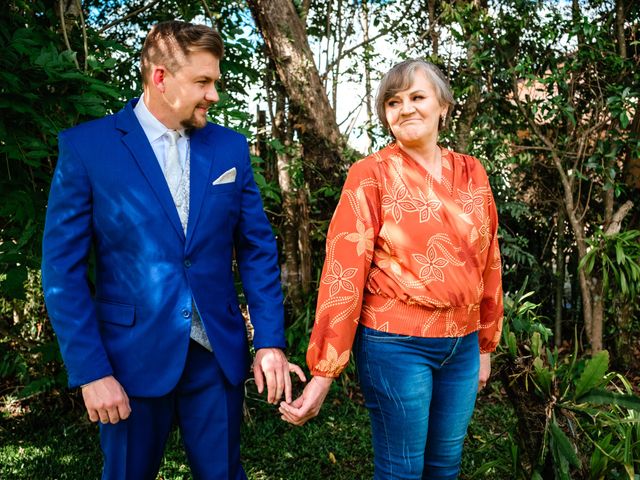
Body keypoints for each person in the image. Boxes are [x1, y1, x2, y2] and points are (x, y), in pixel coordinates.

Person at [42, 21, 303, 480]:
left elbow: (259, 249)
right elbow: (62, 273)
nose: (214, 95)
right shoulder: (86, 148)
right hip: (127, 364)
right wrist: (91, 372)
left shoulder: (230, 149)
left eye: (215, 82)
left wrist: (269, 343)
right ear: (160, 77)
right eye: (203, 82)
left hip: (215, 359)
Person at [280, 59, 503, 479]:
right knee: (401, 470)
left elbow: (488, 260)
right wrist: (324, 372)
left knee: (445, 466)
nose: (405, 109)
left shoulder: (473, 172)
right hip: (397, 345)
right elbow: (343, 274)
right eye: (393, 102)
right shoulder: (370, 175)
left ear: (443, 107)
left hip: (462, 347)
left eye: (417, 97)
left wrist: (486, 345)